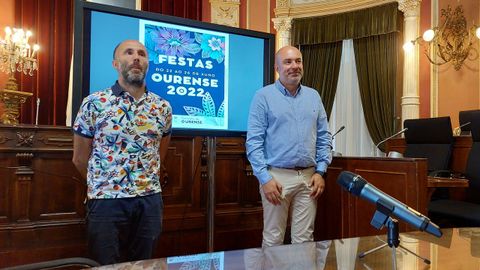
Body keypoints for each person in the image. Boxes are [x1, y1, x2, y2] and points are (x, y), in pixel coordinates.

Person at [72, 40, 172, 265]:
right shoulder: (94, 103)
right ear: (116, 63)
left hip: (149, 201)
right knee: (106, 264)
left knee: (145, 264)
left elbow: (159, 152)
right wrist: (102, 183)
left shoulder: (162, 107)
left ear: (147, 64)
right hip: (106, 200)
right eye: (129, 53)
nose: (136, 57)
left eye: (142, 54)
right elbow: (79, 159)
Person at [246, 45, 332, 247]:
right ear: (277, 67)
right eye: (288, 62)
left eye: (298, 61)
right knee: (273, 238)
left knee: (304, 240)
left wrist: (321, 172)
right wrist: (264, 179)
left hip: (310, 178)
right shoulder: (263, 96)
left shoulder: (314, 96)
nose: (294, 66)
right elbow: (253, 142)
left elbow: (323, 136)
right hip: (276, 178)